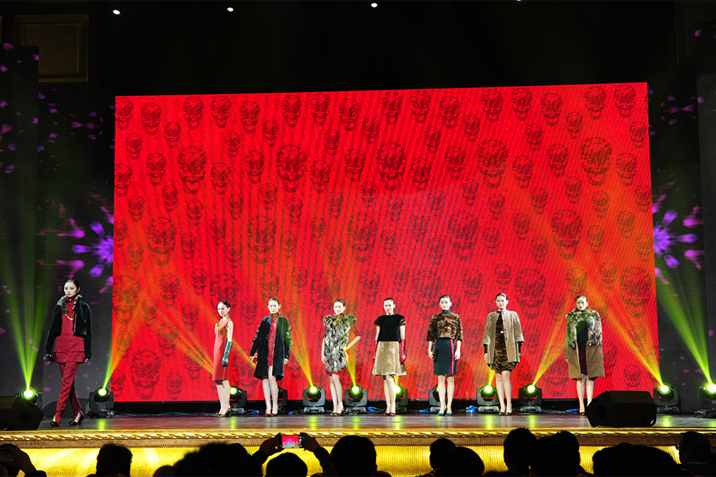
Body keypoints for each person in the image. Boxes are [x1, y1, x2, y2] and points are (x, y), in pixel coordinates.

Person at [43, 278, 92, 427]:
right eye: (66, 288)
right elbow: (52, 329)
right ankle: (78, 412)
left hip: (76, 346)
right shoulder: (59, 306)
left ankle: (58, 415)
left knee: (66, 382)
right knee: (68, 383)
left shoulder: (84, 307)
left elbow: (88, 330)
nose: (68, 291)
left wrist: (88, 351)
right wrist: (48, 350)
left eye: (71, 288)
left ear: (78, 289)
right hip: (61, 347)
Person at [250, 298, 293, 416]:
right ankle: (268, 407)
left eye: (274, 305)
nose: (272, 308)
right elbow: (258, 337)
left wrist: (286, 355)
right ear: (268, 307)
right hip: (264, 352)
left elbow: (288, 339)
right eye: (270, 306)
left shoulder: (283, 320)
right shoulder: (265, 321)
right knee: (265, 378)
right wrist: (253, 352)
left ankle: (275, 406)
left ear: (279, 306)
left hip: (277, 352)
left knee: (272, 377)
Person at [483, 293, 523, 416]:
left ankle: (509, 404)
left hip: (508, 349)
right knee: (498, 377)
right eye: (498, 301)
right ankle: (502, 405)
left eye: (502, 300)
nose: (501, 303)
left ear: (507, 301)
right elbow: (487, 335)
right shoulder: (491, 316)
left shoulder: (513, 315)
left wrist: (519, 350)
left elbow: (518, 334)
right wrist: (486, 352)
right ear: (495, 302)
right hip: (495, 350)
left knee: (506, 376)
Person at [564, 295, 605, 415]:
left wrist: (598, 350)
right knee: (580, 377)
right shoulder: (571, 316)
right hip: (577, 349)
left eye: (582, 302)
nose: (580, 305)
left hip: (591, 349)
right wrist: (567, 353)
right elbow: (568, 336)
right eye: (578, 302)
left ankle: (590, 404)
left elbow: (599, 333)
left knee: (590, 377)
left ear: (587, 303)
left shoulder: (593, 315)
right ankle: (581, 405)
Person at [426, 295, 463, 416]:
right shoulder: (435, 317)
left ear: (450, 303)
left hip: (450, 346)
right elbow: (431, 334)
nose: (444, 304)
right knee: (440, 377)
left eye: (446, 302)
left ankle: (450, 406)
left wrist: (458, 350)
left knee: (450, 377)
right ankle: (442, 405)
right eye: (442, 302)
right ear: (439, 304)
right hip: (438, 346)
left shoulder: (455, 317)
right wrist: (429, 349)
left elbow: (459, 335)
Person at [322, 299, 358, 416]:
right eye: (335, 307)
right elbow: (325, 338)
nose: (337, 309)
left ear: (344, 308)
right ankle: (335, 406)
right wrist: (322, 353)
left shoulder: (347, 319)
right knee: (331, 379)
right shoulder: (329, 320)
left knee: (335, 378)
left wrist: (346, 347)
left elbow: (358, 335)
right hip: (329, 352)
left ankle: (340, 405)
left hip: (338, 353)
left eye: (339, 307)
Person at [372, 297, 407, 416]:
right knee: (385, 378)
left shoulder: (399, 318)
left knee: (390, 377)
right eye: (386, 305)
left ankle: (393, 406)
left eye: (390, 305)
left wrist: (403, 352)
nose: (388, 307)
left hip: (393, 347)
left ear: (394, 305)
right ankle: (388, 406)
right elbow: (376, 337)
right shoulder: (380, 319)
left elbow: (403, 336)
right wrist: (375, 352)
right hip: (382, 347)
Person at [212, 300, 234, 417]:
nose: (221, 311)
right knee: (218, 380)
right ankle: (222, 407)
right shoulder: (220, 321)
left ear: (228, 309)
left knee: (224, 379)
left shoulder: (229, 322)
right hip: (217, 351)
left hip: (223, 351)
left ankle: (227, 406)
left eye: (223, 308)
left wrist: (226, 355)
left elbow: (229, 340)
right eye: (219, 309)